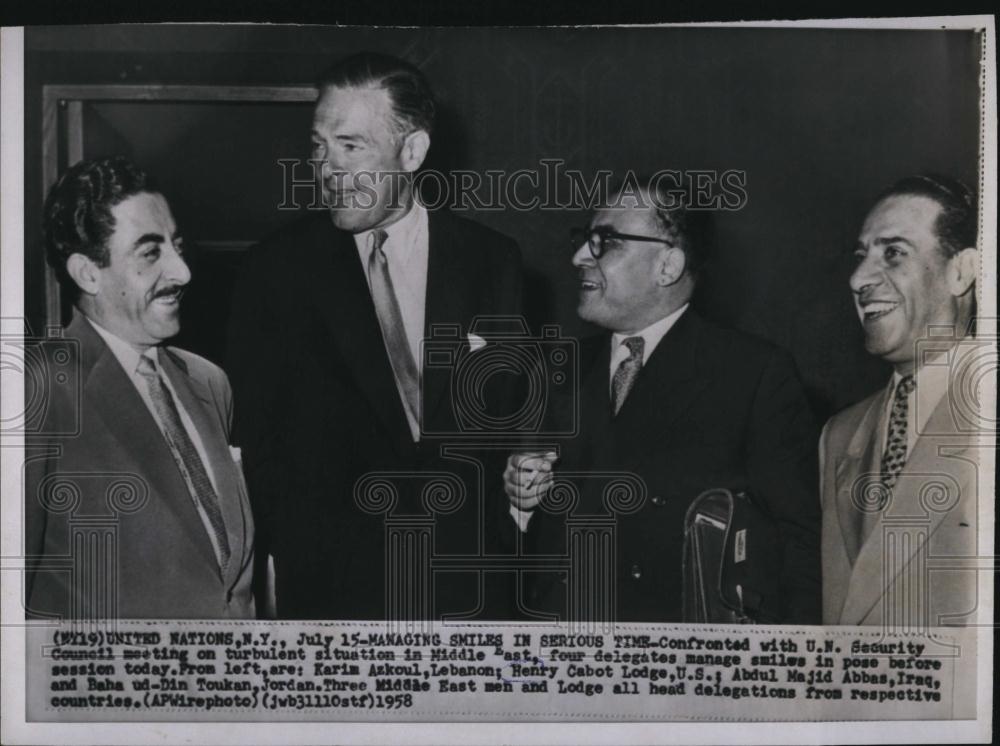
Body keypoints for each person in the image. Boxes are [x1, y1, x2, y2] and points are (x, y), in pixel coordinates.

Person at [227, 52, 522, 620]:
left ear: (411, 151)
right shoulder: (276, 271)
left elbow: (509, 419)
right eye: (320, 146)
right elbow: (254, 442)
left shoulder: (491, 262)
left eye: (351, 145)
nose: (327, 168)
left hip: (470, 585)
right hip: (334, 593)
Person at [504, 181, 821, 623]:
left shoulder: (751, 374)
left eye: (606, 243)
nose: (579, 257)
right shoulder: (557, 370)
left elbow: (798, 548)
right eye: (584, 240)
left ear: (668, 265)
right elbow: (514, 560)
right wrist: (520, 504)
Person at [25, 156, 255, 619]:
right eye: (151, 253)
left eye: (178, 246)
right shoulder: (38, 389)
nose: (182, 272)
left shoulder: (210, 384)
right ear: (88, 272)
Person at [821, 174, 981, 626]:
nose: (858, 278)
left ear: (962, 271)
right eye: (860, 256)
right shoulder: (839, 435)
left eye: (893, 253)